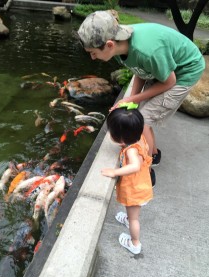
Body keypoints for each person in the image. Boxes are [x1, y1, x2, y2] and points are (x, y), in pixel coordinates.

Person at [77, 10, 205, 170]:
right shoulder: (120, 45)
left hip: (185, 71)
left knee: (143, 120)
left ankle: (147, 167)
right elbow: (140, 70)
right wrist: (131, 101)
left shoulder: (146, 51)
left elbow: (169, 82)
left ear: (109, 45)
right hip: (167, 66)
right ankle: (154, 154)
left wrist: (131, 99)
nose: (92, 58)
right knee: (140, 114)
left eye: (93, 53)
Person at [101, 103, 153, 254]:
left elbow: (135, 165)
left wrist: (115, 172)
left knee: (134, 219)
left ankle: (135, 243)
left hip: (136, 190)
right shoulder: (139, 138)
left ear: (121, 139)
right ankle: (128, 218)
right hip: (142, 185)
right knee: (132, 213)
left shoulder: (131, 151)